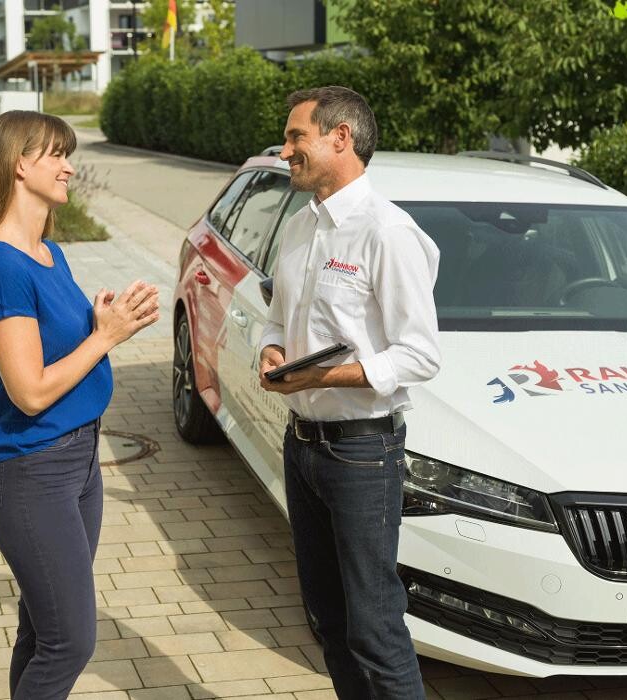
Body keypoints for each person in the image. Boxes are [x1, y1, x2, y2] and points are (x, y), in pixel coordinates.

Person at [0, 110, 159, 700]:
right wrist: (107, 337)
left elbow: (54, 348)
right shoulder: (1, 263)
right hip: (34, 473)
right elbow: (29, 390)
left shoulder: (48, 252)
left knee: (42, 631)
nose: (70, 166)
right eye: (56, 155)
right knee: (71, 642)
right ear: (20, 164)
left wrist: (97, 322)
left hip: (80, 464)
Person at [258, 87, 441, 699]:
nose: (285, 151)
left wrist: (322, 377)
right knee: (328, 621)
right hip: (302, 447)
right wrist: (273, 352)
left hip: (362, 455)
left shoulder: (388, 232)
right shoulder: (299, 226)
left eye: (295, 138)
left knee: (375, 628)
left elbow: (419, 355)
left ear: (341, 139)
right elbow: (275, 319)